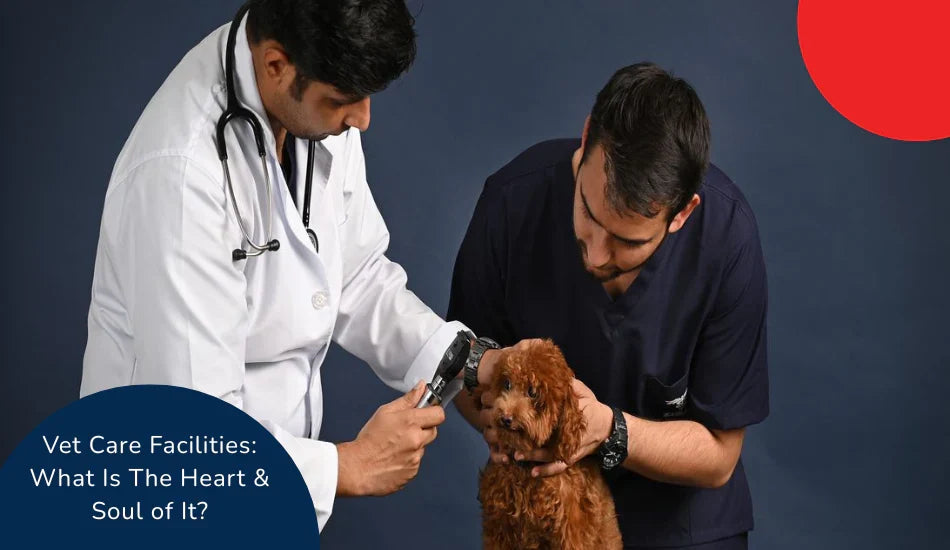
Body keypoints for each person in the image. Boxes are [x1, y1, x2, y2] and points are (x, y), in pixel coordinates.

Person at [80, 0, 509, 531]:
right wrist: (346, 466)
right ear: (276, 65)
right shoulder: (181, 176)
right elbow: (194, 435)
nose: (362, 119)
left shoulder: (311, 98)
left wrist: (470, 362)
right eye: (343, 100)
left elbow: (353, 276)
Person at [449, 62, 769, 549]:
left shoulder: (729, 240)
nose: (596, 254)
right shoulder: (511, 202)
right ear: (585, 140)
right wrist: (507, 424)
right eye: (587, 212)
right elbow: (461, 364)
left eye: (626, 241)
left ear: (682, 214)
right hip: (544, 514)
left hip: (683, 526)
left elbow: (720, 455)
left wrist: (609, 431)